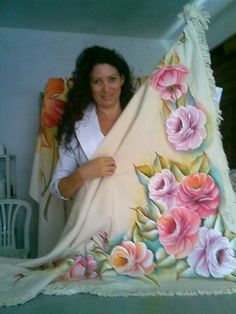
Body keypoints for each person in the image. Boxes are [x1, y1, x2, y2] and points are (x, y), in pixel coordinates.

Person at [50, 46, 134, 200]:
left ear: (122, 79)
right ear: (88, 85)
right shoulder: (75, 127)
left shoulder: (139, 117)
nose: (106, 89)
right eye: (97, 81)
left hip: (138, 218)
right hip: (94, 220)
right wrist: (82, 173)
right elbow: (58, 191)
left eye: (112, 79)